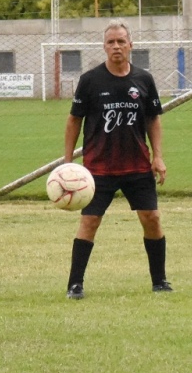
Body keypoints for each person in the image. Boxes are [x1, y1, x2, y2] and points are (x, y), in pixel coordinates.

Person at [63, 18, 171, 300]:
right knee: (90, 222)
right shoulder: (90, 80)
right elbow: (74, 120)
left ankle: (159, 281)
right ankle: (75, 284)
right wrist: (68, 162)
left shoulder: (144, 80)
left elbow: (153, 119)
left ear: (130, 45)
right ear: (104, 47)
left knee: (152, 218)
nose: (116, 46)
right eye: (111, 42)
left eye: (121, 41)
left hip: (137, 165)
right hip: (99, 168)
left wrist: (157, 156)